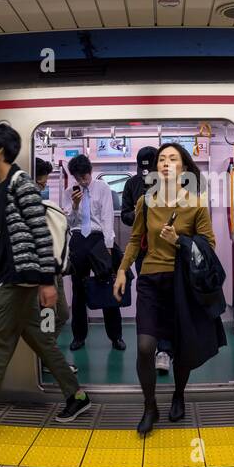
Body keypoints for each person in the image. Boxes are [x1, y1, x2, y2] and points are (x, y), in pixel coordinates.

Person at [0, 123, 91, 429]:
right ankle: (76, 396)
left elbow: (40, 232)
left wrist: (47, 281)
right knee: (41, 341)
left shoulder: (19, 183)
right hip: (12, 276)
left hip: (22, 278)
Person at [114, 143, 218, 435]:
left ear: (183, 167)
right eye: (162, 159)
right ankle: (150, 406)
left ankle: (179, 394)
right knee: (146, 347)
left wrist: (179, 242)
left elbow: (209, 246)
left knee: (182, 348)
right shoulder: (145, 202)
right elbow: (135, 240)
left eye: (173, 158)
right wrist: (122, 270)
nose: (166, 163)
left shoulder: (195, 204)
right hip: (149, 279)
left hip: (181, 284)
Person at [63, 154, 125, 352]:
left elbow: (107, 217)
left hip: (99, 240)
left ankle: (115, 337)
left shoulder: (103, 188)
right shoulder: (68, 192)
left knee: (107, 286)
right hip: (79, 238)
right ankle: (79, 336)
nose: (83, 181)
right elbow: (69, 223)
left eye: (85, 176)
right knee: (78, 290)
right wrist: (73, 206)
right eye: (79, 178)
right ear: (74, 177)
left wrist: (108, 245)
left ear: (90, 171)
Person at [120, 146, 170, 373]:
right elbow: (125, 216)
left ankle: (165, 349)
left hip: (168, 251)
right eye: (143, 165)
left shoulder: (169, 184)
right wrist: (142, 212)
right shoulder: (131, 184)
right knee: (149, 301)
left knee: (168, 300)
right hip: (143, 252)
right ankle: (151, 348)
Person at [34, 157, 74, 374]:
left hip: (54, 271)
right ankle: (44, 361)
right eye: (41, 184)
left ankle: (45, 357)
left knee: (62, 315)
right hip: (41, 274)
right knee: (47, 319)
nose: (43, 187)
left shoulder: (46, 207)